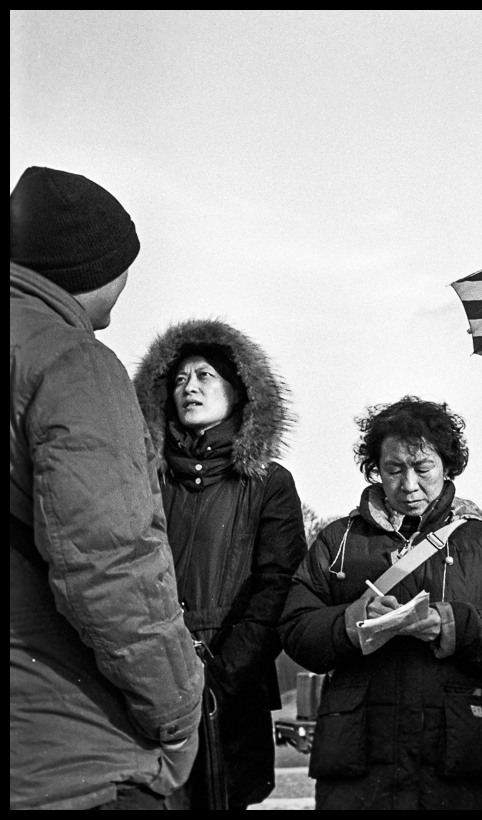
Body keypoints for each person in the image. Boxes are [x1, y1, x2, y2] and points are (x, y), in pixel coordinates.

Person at [10, 166, 203, 810]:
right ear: (92, 267)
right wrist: (179, 709)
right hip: (66, 752)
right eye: (125, 266)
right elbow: (109, 563)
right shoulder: (71, 362)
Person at [279, 396, 482, 810]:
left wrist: (452, 625)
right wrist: (353, 621)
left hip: (457, 764)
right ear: (376, 470)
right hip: (357, 766)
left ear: (447, 466)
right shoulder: (338, 541)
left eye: (423, 468)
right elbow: (295, 628)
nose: (409, 484)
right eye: (394, 469)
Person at [133, 318, 308, 809]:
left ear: (239, 389)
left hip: (232, 686)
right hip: (152, 678)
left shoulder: (269, 482)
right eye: (179, 378)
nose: (189, 387)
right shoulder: (144, 477)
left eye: (205, 375)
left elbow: (279, 586)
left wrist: (223, 673)